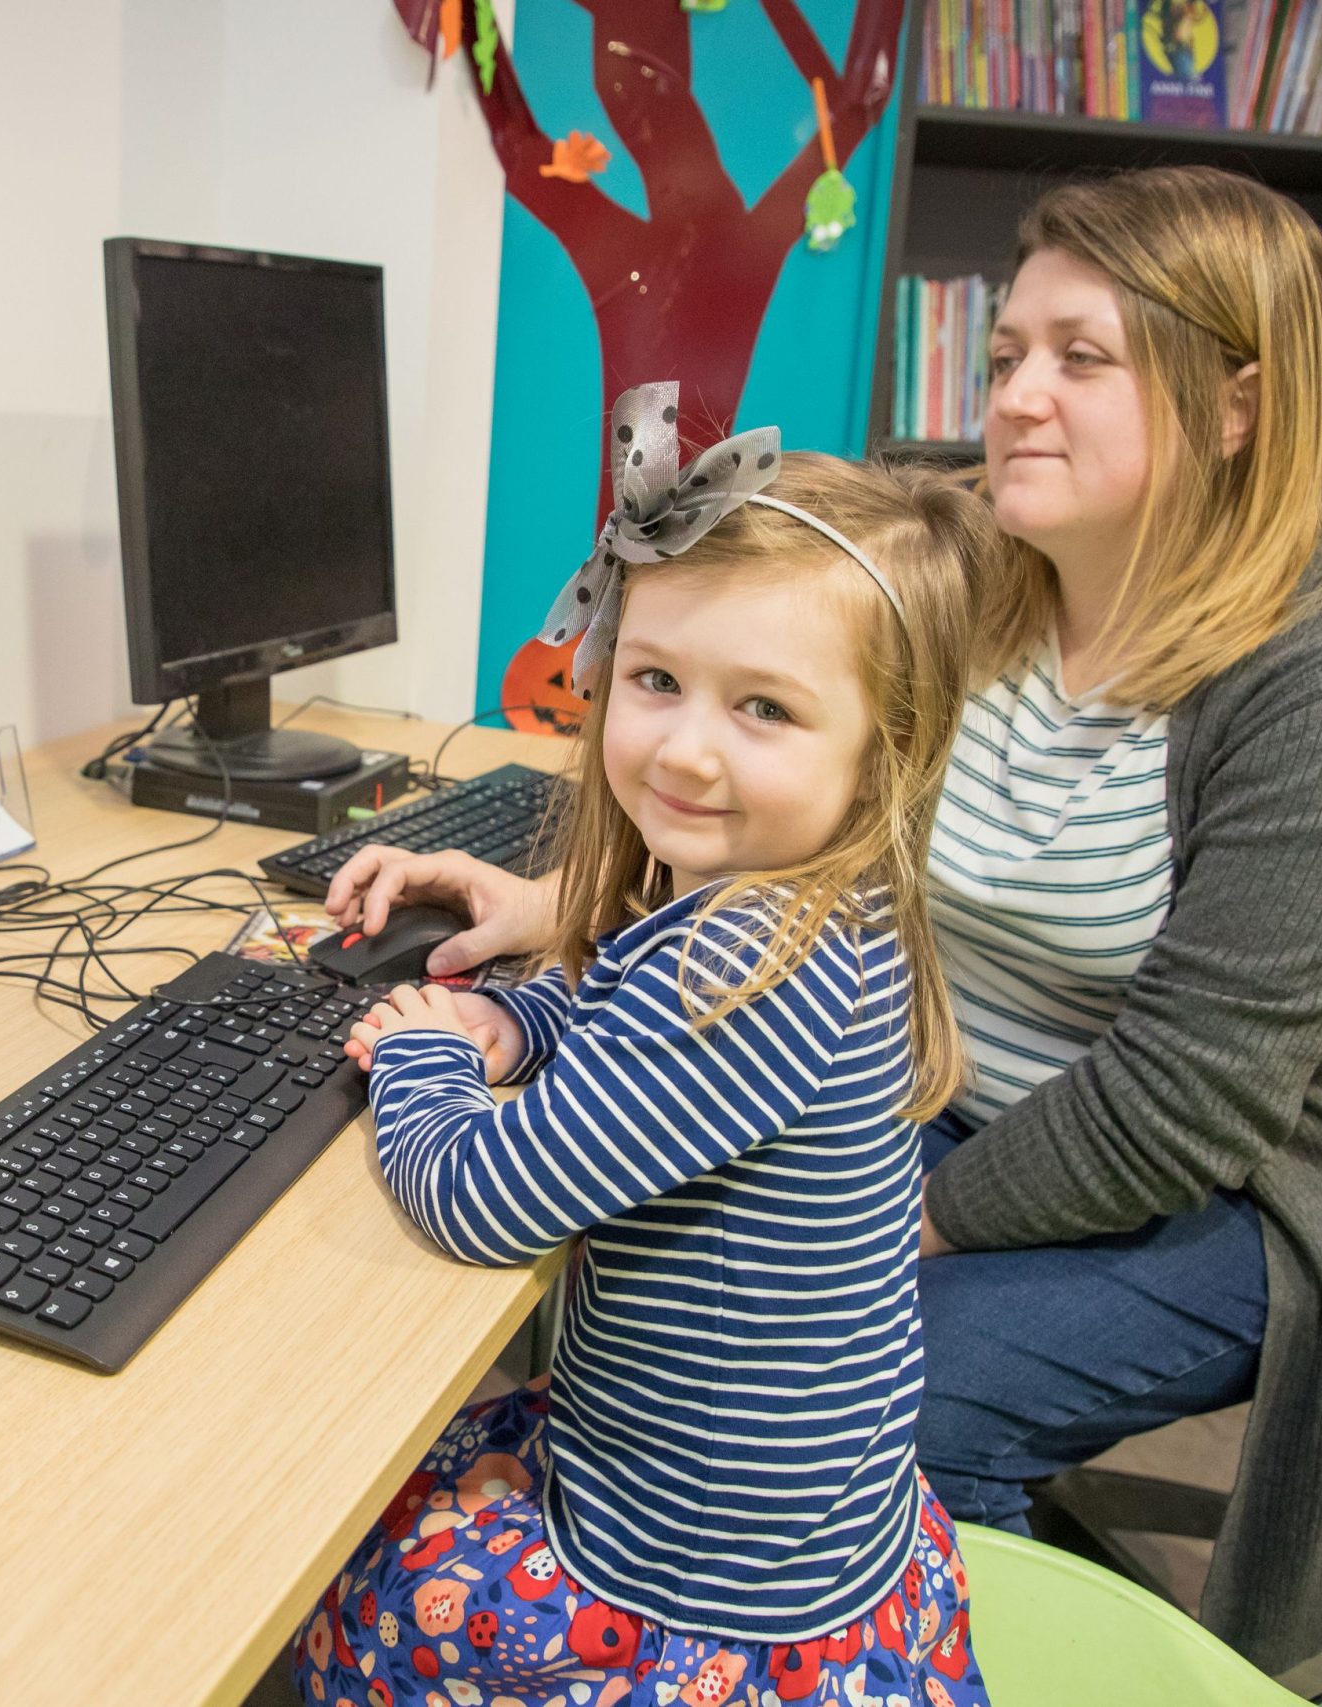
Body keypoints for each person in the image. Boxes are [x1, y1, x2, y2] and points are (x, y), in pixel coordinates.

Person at [332, 166, 1322, 1672]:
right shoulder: (985, 565)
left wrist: (883, 1232)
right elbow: (790, 774)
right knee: (653, 1290)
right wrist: (564, 919)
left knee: (889, 1392)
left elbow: (1182, 1106)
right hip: (945, 1091)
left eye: (1084, 357)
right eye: (1009, 351)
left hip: (1253, 1181)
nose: (1016, 395)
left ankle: (904, 1660)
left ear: (1234, 403)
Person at [291, 405, 996, 1707]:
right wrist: (519, 1019)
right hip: (796, 1536)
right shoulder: (812, 910)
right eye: (656, 679)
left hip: (695, 1611)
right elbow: (631, 1027)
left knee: (314, 1556)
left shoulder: (744, 963)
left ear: (879, 752)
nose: (683, 745)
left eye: (765, 708)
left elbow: (481, 1202)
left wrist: (425, 1056)